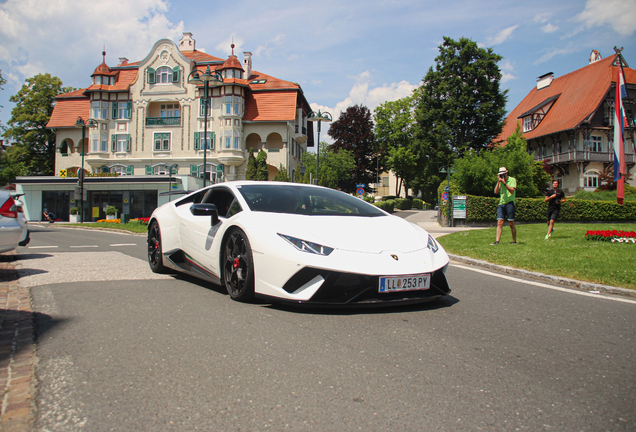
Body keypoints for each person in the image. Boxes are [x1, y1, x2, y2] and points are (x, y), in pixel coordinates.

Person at [491, 167, 517, 245]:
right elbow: (495, 192)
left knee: (511, 223)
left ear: (507, 172)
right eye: (501, 174)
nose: (502, 175)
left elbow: (512, 191)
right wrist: (499, 182)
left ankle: (514, 241)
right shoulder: (500, 182)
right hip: (501, 203)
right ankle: (497, 241)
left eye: (503, 173)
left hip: (510, 203)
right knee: (499, 222)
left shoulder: (512, 180)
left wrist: (505, 183)